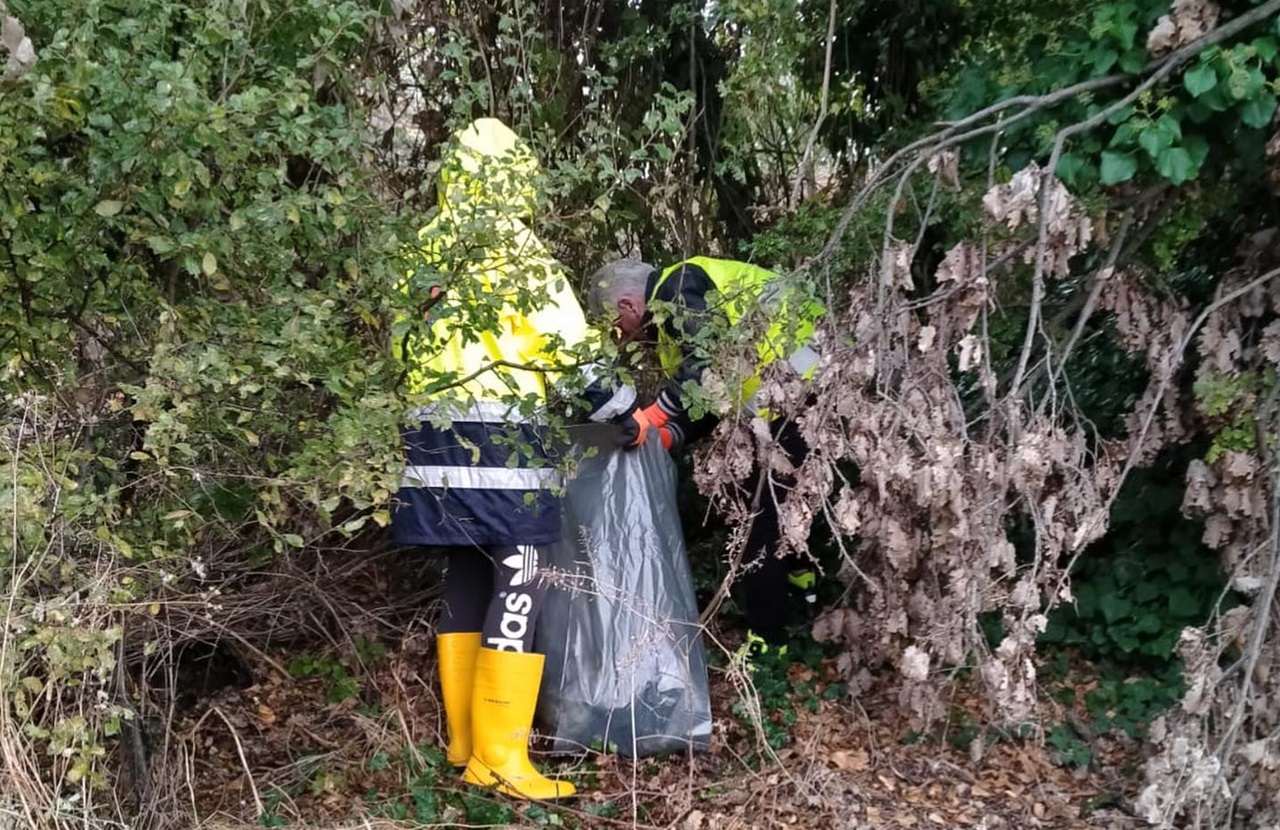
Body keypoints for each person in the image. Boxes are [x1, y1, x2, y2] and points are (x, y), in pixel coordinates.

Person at [392, 119, 635, 800]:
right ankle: (501, 759)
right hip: (504, 453)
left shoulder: (423, 254)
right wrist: (621, 409)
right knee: (519, 578)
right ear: (514, 176)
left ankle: (465, 744)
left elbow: (397, 351)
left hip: (432, 452)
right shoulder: (517, 255)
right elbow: (571, 355)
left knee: (466, 572)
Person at [587, 256, 822, 646]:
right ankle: (801, 587)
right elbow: (707, 398)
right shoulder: (671, 327)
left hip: (802, 393)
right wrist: (670, 435)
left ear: (627, 305)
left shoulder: (679, 285)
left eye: (617, 329)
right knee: (777, 513)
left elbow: (709, 360)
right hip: (782, 404)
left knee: (760, 520)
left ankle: (768, 640)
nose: (624, 339)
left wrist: (653, 416)